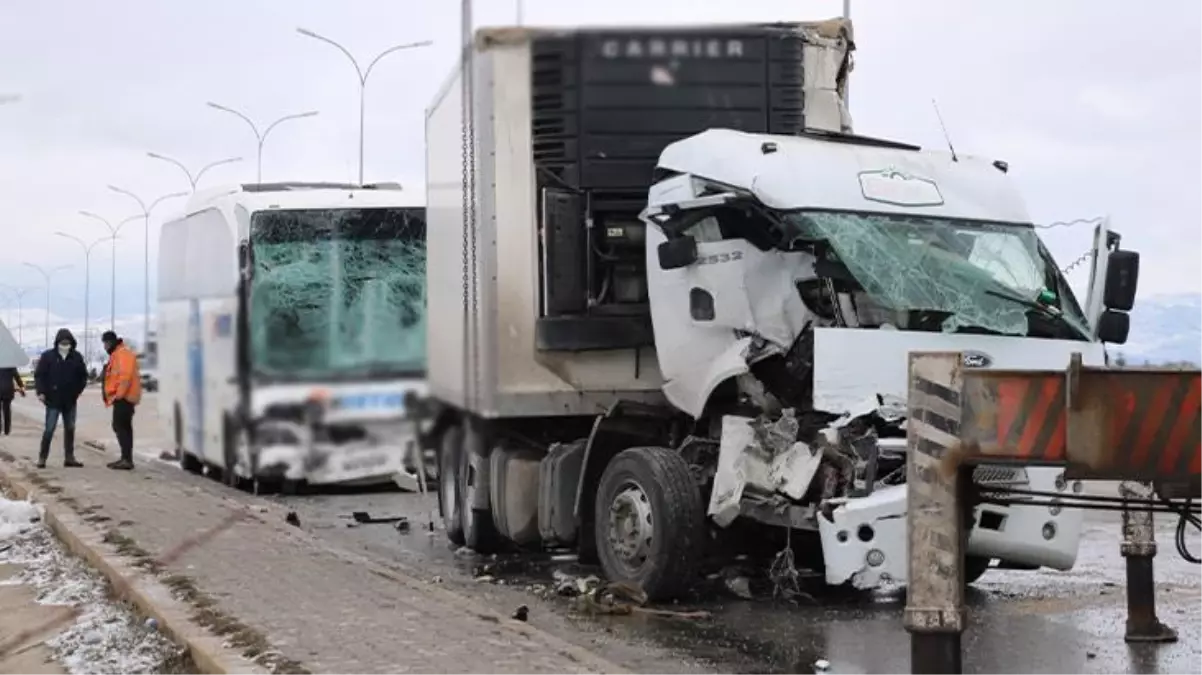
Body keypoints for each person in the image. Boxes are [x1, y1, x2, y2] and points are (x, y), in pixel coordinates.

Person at [33, 328, 88, 468]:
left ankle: (69, 458)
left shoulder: (76, 357)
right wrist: (41, 392)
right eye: (62, 342)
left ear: (71, 342)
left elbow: (83, 376)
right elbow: (39, 375)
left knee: (70, 428)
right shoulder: (48, 356)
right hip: (53, 400)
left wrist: (77, 391)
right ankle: (42, 458)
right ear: (57, 342)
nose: (65, 344)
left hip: (70, 400)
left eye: (67, 342)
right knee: (49, 429)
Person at [101, 330, 142, 471]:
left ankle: (126, 459)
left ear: (111, 342)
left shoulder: (122, 354)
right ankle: (126, 458)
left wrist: (119, 394)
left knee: (120, 426)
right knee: (122, 427)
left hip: (124, 397)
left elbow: (125, 376)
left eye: (106, 343)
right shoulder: (117, 354)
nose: (105, 347)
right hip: (123, 397)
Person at [0, 365, 26, 435]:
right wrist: (21, 386)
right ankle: (7, 430)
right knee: (7, 410)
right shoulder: (10, 365)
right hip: (7, 390)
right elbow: (17, 376)